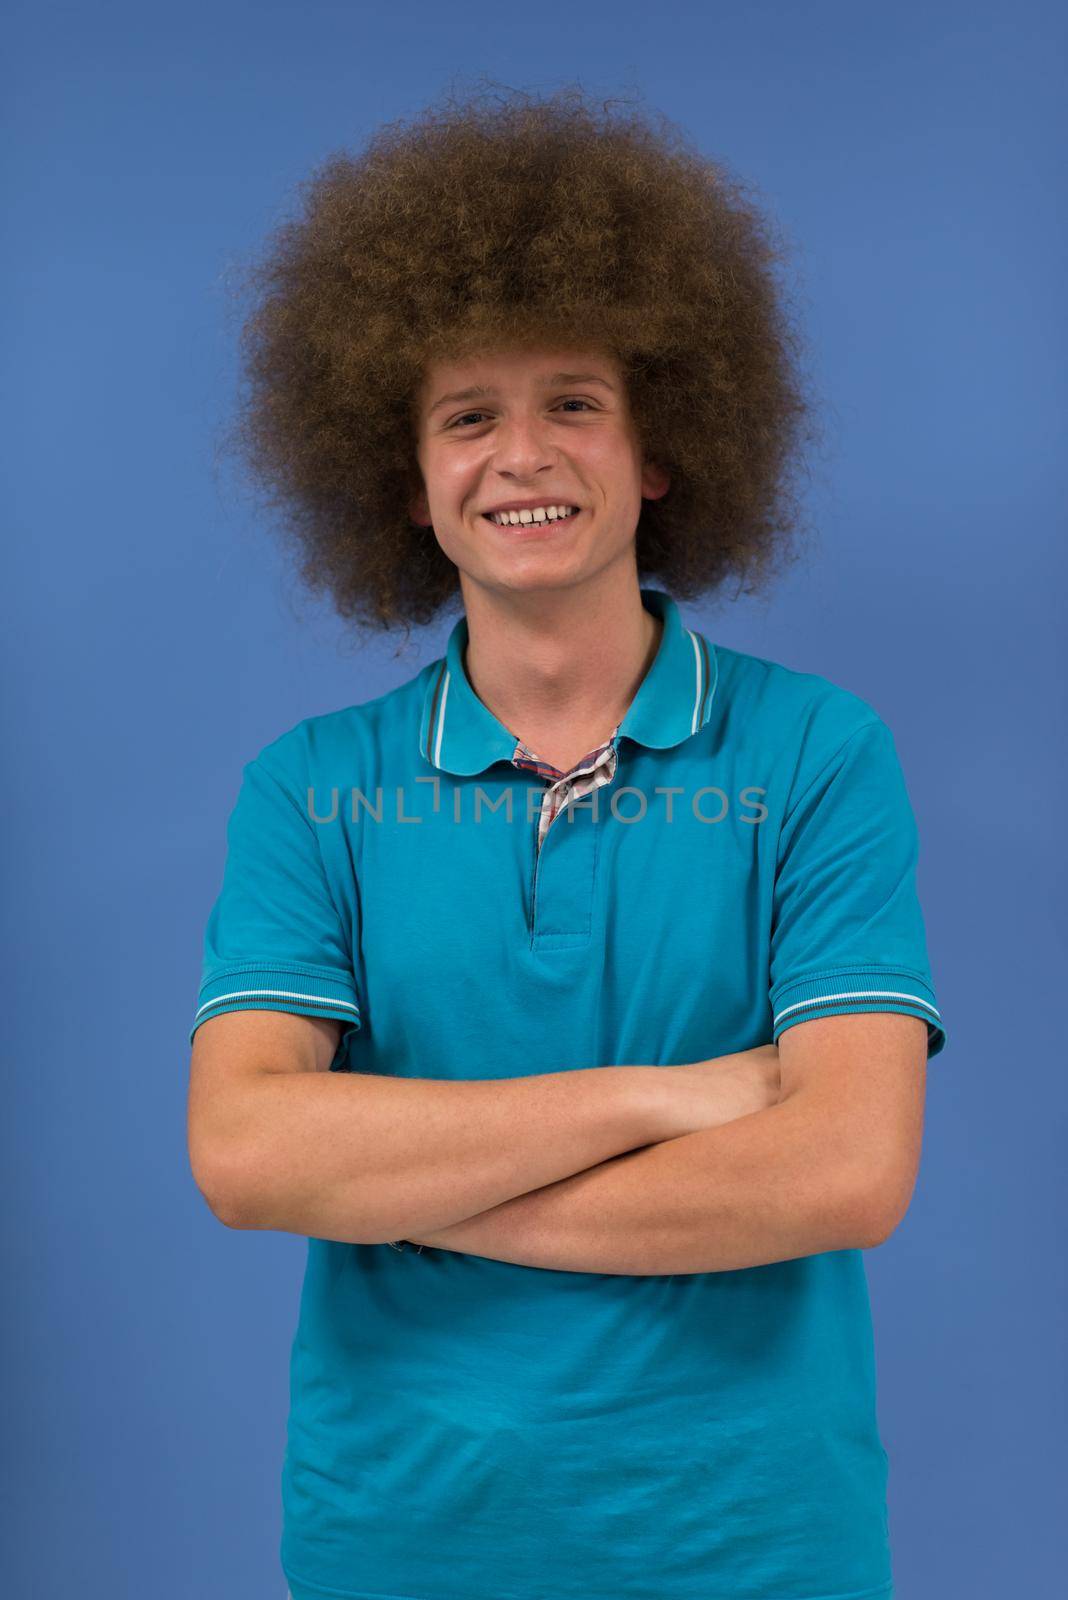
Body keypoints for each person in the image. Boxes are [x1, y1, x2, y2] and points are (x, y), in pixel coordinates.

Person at [187, 83, 945, 1600]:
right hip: (396, 1539)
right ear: (406, 481)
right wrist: (665, 1099)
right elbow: (247, 1148)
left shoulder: (816, 757)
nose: (521, 455)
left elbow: (846, 1172)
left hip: (754, 1544)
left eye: (573, 404)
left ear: (661, 451)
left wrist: (420, 1185)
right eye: (469, 416)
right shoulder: (310, 787)